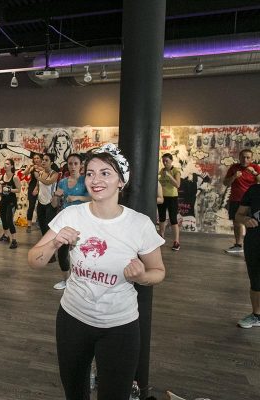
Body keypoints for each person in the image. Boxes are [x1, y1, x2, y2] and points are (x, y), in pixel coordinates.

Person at [27, 144, 165, 400]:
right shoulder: (72, 215)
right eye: (90, 173)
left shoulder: (139, 224)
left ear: (121, 181)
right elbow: (34, 260)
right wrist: (55, 243)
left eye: (105, 173)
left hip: (119, 326)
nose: (95, 180)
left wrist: (142, 277)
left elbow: (158, 271)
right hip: (72, 320)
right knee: (75, 393)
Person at [51, 153, 90, 290]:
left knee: (81, 253)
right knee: (62, 253)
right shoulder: (62, 182)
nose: (73, 166)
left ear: (80, 165)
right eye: (70, 164)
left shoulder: (85, 180)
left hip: (82, 221)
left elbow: (93, 199)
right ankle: (66, 280)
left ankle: (82, 282)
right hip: (66, 220)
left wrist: (77, 197)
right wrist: (56, 194)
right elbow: (54, 204)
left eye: (76, 163)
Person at [223, 149, 260, 253]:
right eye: (243, 157)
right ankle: (238, 245)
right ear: (239, 158)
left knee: (253, 223)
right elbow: (225, 183)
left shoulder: (255, 168)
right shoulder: (234, 168)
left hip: (252, 202)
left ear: (252, 159)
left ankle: (253, 247)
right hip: (236, 199)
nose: (245, 159)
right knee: (237, 222)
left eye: (248, 157)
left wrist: (254, 173)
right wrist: (234, 176)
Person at [234, 183, 260, 328]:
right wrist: (245, 220)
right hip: (255, 241)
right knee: (256, 279)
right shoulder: (254, 190)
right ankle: (257, 315)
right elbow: (239, 215)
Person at [0, 159, 21, 249]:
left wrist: (10, 190)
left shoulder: (15, 177)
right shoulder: (1, 176)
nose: (5, 165)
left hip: (11, 202)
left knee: (9, 220)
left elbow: (19, 190)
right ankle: (5, 236)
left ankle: (14, 240)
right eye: (4, 164)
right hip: (3, 201)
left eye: (7, 164)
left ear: (12, 166)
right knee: (4, 220)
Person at [157, 153, 182, 251]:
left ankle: (176, 242)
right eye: (163, 161)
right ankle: (161, 237)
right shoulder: (161, 171)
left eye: (166, 161)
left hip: (172, 197)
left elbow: (177, 185)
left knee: (173, 219)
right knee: (162, 218)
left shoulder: (176, 171)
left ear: (171, 160)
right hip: (162, 197)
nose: (164, 163)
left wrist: (169, 176)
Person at [35, 154, 59, 246]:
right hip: (40, 202)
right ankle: (45, 244)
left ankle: (51, 249)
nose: (43, 161)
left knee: (49, 227)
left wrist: (38, 177)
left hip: (50, 203)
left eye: (46, 160)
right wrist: (35, 189)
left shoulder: (54, 174)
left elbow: (48, 182)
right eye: (43, 160)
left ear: (51, 162)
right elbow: (38, 184)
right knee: (41, 225)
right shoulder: (41, 173)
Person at [24, 153, 42, 233]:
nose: (36, 160)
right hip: (32, 187)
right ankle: (29, 225)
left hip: (42, 187)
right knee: (31, 206)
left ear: (41, 159)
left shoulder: (44, 167)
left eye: (38, 158)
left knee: (41, 206)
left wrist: (40, 169)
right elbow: (25, 174)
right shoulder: (32, 167)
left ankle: (41, 223)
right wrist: (28, 168)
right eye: (35, 158)